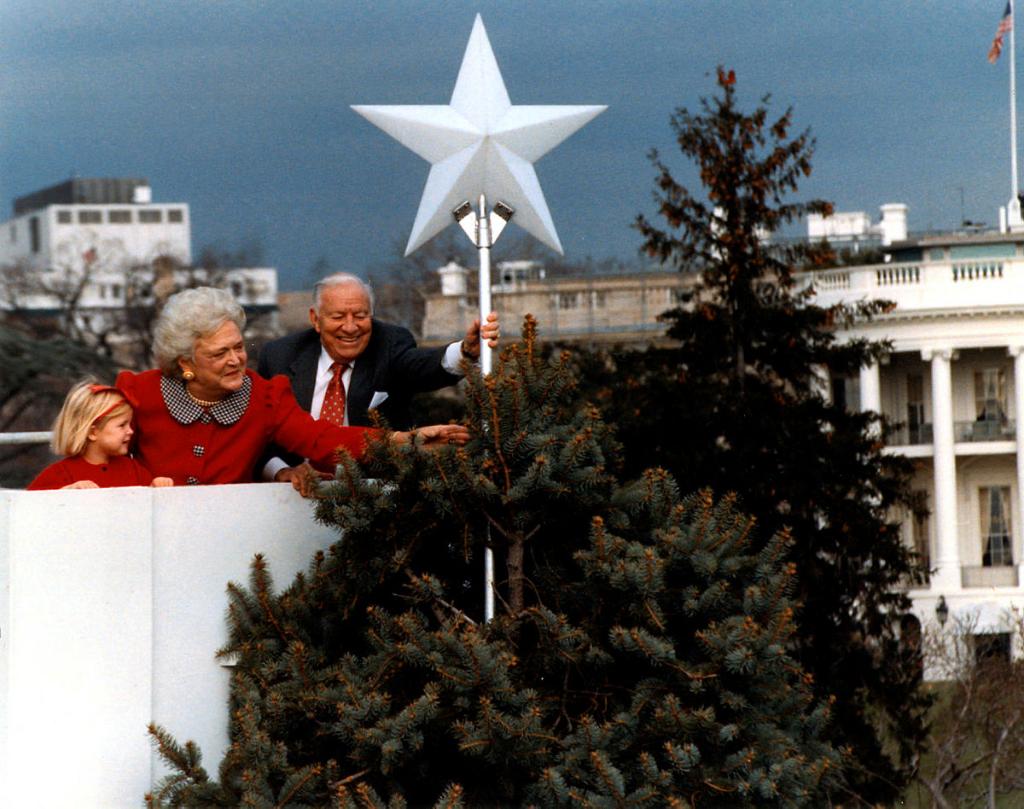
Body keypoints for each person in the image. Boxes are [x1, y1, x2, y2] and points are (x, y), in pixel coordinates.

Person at [114, 286, 468, 489]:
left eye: (238, 347)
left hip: (229, 537)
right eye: (220, 353)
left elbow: (324, 439)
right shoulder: (139, 393)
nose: (236, 360)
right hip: (147, 539)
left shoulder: (264, 396)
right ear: (185, 362)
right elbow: (96, 447)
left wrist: (406, 440)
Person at [257, 272, 498, 489]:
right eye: (338, 316)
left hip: (375, 493)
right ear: (315, 319)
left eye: (360, 316)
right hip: (292, 495)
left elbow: (420, 366)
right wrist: (281, 471)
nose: (350, 327)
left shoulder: (389, 343)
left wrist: (465, 352)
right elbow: (259, 433)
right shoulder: (279, 356)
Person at [28, 379, 174, 490]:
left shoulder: (134, 470)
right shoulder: (60, 474)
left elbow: (146, 509)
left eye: (129, 424)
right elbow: (28, 510)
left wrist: (155, 488)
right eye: (122, 425)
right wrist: (66, 493)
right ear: (93, 432)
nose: (130, 431)